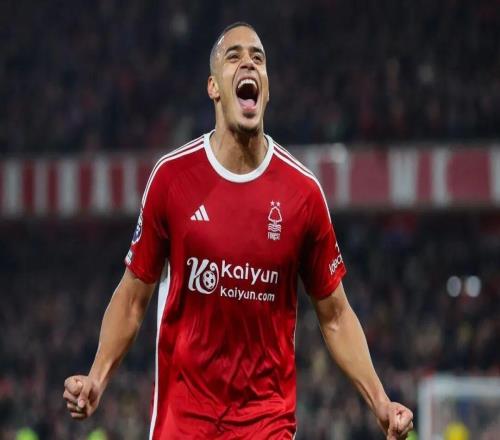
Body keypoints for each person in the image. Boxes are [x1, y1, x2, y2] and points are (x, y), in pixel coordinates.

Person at [63, 22, 414, 439]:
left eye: (258, 58)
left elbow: (336, 315)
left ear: (267, 89)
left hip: (266, 424)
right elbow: (132, 298)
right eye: (234, 56)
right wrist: (97, 377)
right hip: (183, 425)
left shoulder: (302, 193)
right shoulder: (172, 178)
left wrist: (380, 402)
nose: (248, 62)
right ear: (214, 87)